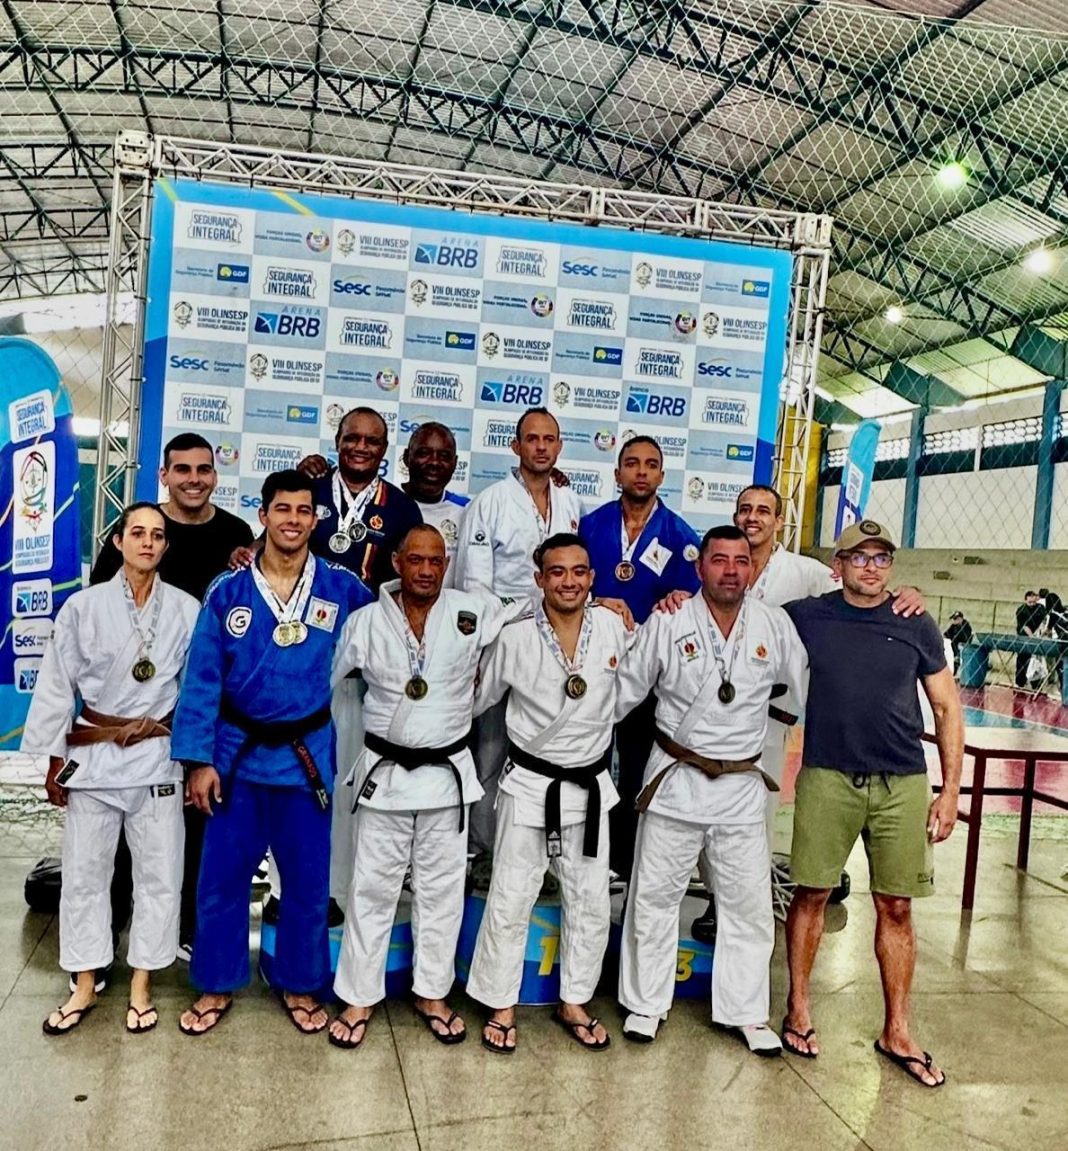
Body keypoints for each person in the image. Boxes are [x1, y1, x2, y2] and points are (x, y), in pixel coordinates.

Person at [172, 470, 372, 1036]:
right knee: (221, 880)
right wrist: (198, 761)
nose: (293, 520)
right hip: (236, 757)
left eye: (303, 510)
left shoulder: (341, 587)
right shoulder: (227, 590)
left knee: (308, 884)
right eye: (282, 509)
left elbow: (389, 624)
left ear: (315, 519)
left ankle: (300, 982)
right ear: (262, 516)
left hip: (306, 758)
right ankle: (217, 982)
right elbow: (201, 679)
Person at [781, 519, 963, 1088]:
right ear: (838, 566)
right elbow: (738, 610)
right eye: (858, 557)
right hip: (829, 776)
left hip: (901, 782)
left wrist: (950, 790)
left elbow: (946, 708)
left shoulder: (916, 622)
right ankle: (798, 1008)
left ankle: (897, 1030)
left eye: (881, 558)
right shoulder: (809, 616)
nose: (871, 567)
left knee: (897, 906)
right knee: (812, 893)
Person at [614, 525, 807, 1053]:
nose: (731, 571)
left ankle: (746, 1011)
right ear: (699, 567)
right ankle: (645, 1003)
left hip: (740, 787)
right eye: (719, 560)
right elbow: (625, 689)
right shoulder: (669, 619)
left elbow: (804, 688)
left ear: (753, 568)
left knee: (747, 903)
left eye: (741, 561)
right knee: (654, 896)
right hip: (676, 779)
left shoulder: (774, 624)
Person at [328, 525, 517, 1049]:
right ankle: (359, 995)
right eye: (416, 560)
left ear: (447, 563)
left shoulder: (472, 611)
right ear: (397, 562)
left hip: (446, 778)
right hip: (385, 776)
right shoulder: (366, 621)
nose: (427, 570)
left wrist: (607, 604)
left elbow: (535, 608)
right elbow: (322, 678)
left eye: (436, 560)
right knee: (371, 889)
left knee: (441, 891)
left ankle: (432, 992)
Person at [22, 503, 200, 1035]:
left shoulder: (186, 609)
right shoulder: (83, 607)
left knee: (160, 875)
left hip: (158, 755)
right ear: (118, 542)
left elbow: (196, 691)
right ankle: (84, 982)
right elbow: (58, 684)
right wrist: (55, 759)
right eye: (137, 533)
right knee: (84, 874)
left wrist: (195, 759)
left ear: (165, 546)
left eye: (157, 535)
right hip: (95, 753)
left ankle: (142, 982)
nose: (148, 542)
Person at [237, 408, 422, 914]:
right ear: (337, 441)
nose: (361, 447)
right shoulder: (309, 490)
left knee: (343, 782)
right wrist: (245, 552)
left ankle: (336, 889)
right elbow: (268, 550)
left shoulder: (402, 509)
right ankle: (282, 888)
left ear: (385, 450)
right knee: (293, 776)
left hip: (364, 669)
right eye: (352, 438)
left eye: (372, 441)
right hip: (298, 660)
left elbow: (409, 585)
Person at [90, 432, 255, 964]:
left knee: (195, 824)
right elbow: (100, 612)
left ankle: (183, 927)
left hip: (204, 706)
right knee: (118, 833)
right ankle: (104, 935)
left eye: (203, 469)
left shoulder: (236, 534)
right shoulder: (136, 527)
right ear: (163, 475)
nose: (193, 479)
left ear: (215, 475)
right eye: (182, 469)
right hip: (135, 711)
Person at [466, 534, 633, 1054]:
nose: (569, 581)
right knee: (511, 896)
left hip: (590, 786)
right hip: (530, 784)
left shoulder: (614, 627)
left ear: (592, 578)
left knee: (589, 900)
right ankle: (500, 1002)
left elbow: (641, 679)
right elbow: (477, 698)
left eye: (579, 572)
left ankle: (575, 1000)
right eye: (557, 572)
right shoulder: (514, 635)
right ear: (539, 579)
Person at [454, 408, 586, 855]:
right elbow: (474, 589)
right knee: (490, 751)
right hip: (502, 641)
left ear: (559, 446)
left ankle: (542, 851)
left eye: (549, 439)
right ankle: (484, 849)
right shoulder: (489, 502)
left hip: (557, 645)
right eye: (532, 439)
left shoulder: (570, 502)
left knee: (545, 748)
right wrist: (500, 634)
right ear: (516, 446)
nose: (541, 447)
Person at [578, 435, 701, 880]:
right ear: (617, 474)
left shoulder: (682, 538)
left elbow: (692, 604)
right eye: (632, 463)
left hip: (650, 672)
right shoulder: (590, 526)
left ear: (662, 476)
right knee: (586, 759)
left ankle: (627, 861)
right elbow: (567, 585)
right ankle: (583, 856)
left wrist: (678, 599)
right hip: (591, 661)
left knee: (636, 766)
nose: (641, 472)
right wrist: (595, 601)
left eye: (651, 465)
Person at [400, 422, 469, 587]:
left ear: (455, 463)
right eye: (424, 453)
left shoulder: (468, 511)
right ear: (407, 457)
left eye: (444, 456)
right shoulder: (387, 503)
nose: (434, 463)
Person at [1015, 590, 1047, 689]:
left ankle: (1036, 683)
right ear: (1025, 600)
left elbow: (1044, 620)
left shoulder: (1040, 608)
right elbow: (1024, 626)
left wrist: (1041, 631)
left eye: (1034, 602)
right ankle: (1020, 682)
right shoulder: (1021, 610)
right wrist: (1032, 637)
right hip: (1024, 638)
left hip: (1038, 636)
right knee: (1022, 660)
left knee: (1037, 662)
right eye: (1030, 603)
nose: (1032, 605)